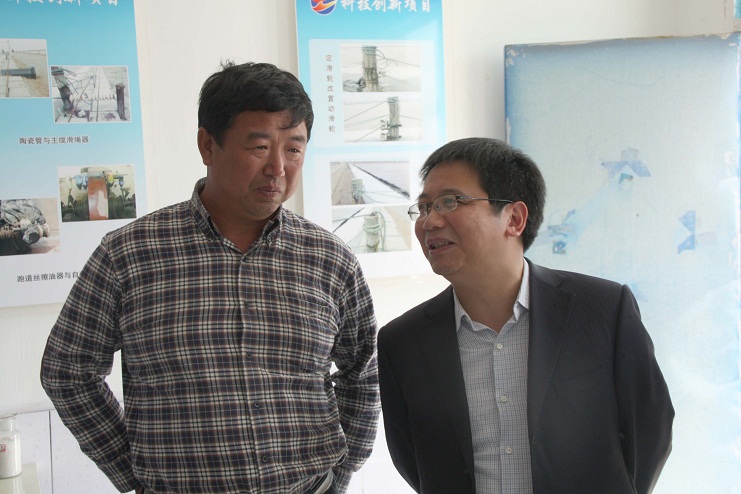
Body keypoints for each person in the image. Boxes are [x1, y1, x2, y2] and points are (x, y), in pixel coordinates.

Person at [41, 61, 380, 494]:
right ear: (207, 145)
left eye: (294, 149)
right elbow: (67, 370)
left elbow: (363, 372)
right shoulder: (129, 254)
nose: (278, 167)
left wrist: (342, 473)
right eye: (259, 146)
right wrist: (129, 472)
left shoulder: (330, 259)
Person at [377, 137, 674, 494]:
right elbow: (412, 459)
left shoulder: (602, 309)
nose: (430, 221)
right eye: (424, 207)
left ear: (514, 219)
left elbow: (650, 429)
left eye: (450, 202)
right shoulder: (403, 342)